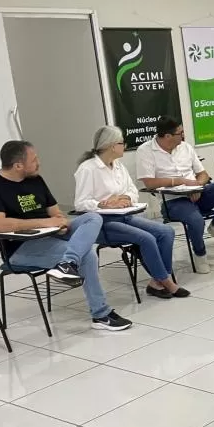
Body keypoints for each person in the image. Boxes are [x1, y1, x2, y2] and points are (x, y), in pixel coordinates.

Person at [0, 140, 132, 331]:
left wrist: (60, 222)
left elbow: (56, 214)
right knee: (88, 254)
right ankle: (101, 314)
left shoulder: (36, 180)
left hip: (52, 235)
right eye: (34, 160)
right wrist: (46, 223)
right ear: (18, 165)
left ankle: (67, 263)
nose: (39, 163)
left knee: (92, 217)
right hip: (19, 248)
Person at [75, 126, 188, 300]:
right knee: (147, 238)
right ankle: (166, 282)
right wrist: (103, 204)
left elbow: (133, 190)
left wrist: (125, 197)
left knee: (166, 232)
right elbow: (80, 204)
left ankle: (156, 282)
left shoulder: (118, 166)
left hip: (125, 216)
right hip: (102, 222)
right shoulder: (88, 169)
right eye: (121, 143)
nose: (124, 146)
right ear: (111, 146)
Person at [137, 116, 214, 274]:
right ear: (168, 136)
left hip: (197, 193)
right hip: (173, 201)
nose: (183, 136)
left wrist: (197, 186)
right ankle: (200, 254)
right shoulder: (146, 150)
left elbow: (202, 174)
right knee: (195, 219)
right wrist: (179, 181)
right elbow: (149, 183)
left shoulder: (186, 147)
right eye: (180, 133)